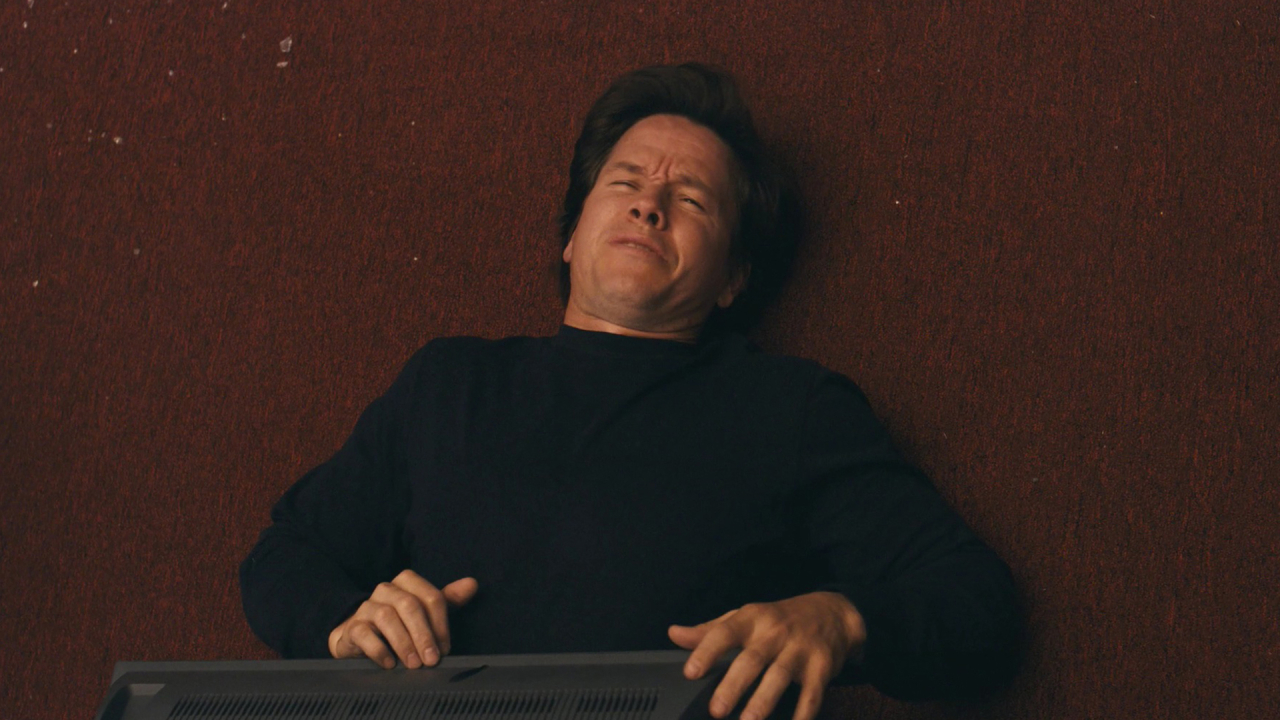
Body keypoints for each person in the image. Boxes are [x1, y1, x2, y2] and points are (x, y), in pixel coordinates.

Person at [239, 63, 1022, 720]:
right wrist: (342, 622)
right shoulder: (449, 384)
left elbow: (979, 605)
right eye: (626, 182)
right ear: (571, 233)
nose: (650, 204)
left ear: (733, 278)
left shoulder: (792, 409)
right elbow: (282, 556)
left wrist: (843, 619)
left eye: (692, 199)